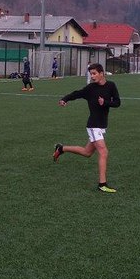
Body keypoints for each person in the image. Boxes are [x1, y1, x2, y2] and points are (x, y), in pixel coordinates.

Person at [52, 63, 121, 193]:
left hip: (102, 125)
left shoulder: (111, 85)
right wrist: (64, 99)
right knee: (103, 152)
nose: (92, 76)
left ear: (102, 73)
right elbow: (77, 93)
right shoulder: (90, 88)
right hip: (93, 125)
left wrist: (105, 103)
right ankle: (102, 184)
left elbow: (117, 102)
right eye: (91, 74)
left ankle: (61, 148)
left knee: (87, 152)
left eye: (94, 73)